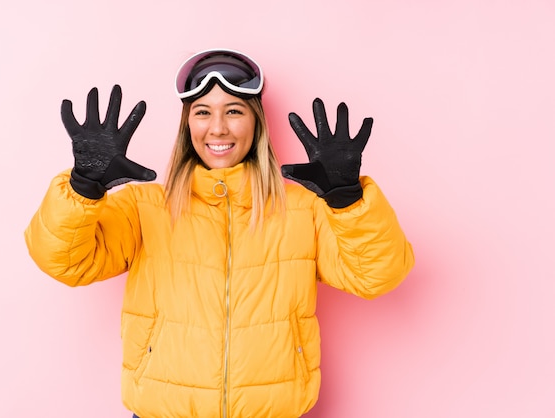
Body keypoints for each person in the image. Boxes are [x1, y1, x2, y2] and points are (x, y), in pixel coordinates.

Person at [25, 48, 415, 418]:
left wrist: (347, 200)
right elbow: (65, 263)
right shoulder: (142, 207)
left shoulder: (303, 208)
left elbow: (375, 276)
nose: (218, 127)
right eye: (202, 112)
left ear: (256, 122)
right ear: (187, 124)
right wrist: (83, 188)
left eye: (233, 111)